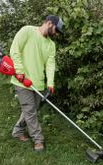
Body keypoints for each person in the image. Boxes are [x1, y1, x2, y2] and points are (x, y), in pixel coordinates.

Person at [10, 15, 64, 152]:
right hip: (22, 81)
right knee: (30, 111)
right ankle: (38, 139)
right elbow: (15, 50)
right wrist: (20, 72)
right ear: (49, 23)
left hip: (38, 83)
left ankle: (17, 131)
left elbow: (50, 65)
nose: (57, 34)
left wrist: (50, 84)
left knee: (30, 111)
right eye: (56, 30)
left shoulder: (51, 45)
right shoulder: (27, 31)